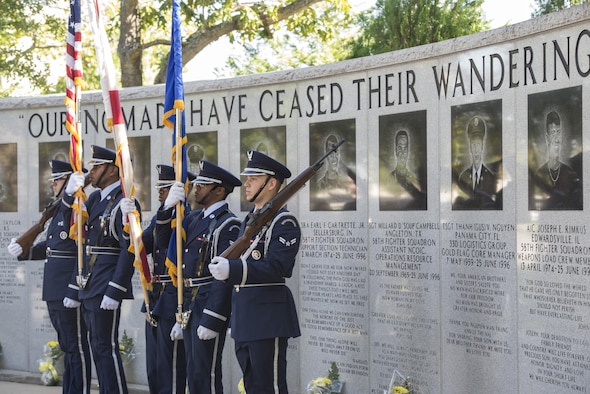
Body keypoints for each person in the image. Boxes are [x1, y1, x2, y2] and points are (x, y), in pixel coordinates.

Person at [209, 151, 301, 394]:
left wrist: (233, 268)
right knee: (252, 386)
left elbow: (277, 267)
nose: (246, 183)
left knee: (268, 387)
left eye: (253, 178)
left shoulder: (284, 222)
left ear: (271, 183)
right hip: (245, 319)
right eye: (247, 178)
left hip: (267, 318)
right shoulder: (251, 220)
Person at [7, 160, 92, 394]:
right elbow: (53, 247)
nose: (53, 184)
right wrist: (25, 251)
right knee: (67, 346)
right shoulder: (58, 210)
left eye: (58, 180)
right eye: (53, 180)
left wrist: (75, 288)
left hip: (67, 289)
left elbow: (81, 252)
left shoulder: (77, 209)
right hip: (54, 289)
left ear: (69, 182)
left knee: (77, 347)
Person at [162, 160, 241, 393]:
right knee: (193, 372)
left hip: (207, 303)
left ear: (219, 190)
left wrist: (213, 318)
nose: (196, 188)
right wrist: (167, 209)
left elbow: (223, 276)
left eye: (203, 184)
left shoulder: (229, 224)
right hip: (188, 303)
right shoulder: (193, 218)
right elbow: (162, 242)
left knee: (206, 372)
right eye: (197, 183)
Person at [63, 145, 138, 394]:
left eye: (96, 167)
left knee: (106, 347)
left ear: (112, 169)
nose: (90, 172)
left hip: (105, 284)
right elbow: (78, 238)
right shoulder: (94, 199)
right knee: (96, 346)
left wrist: (115, 290)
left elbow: (130, 251)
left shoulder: (124, 202)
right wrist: (69, 195)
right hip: (89, 283)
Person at [122, 164, 175, 393]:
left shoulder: (187, 219)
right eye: (159, 188)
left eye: (165, 188)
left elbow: (165, 243)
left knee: (168, 366)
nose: (160, 192)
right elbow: (138, 248)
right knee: (153, 366)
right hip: (154, 297)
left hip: (173, 297)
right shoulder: (157, 220)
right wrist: (129, 221)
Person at [531, 110, 582, 210]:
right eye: (553, 132)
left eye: (558, 132)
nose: (557, 138)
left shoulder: (570, 167)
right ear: (547, 137)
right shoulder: (541, 170)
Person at [455, 115, 500, 209]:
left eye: (479, 145)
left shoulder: (489, 169)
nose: (477, 149)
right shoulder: (464, 174)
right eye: (474, 145)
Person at [383, 129, 426, 210]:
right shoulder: (389, 177)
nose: (402, 152)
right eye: (399, 148)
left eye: (405, 148)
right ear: (395, 150)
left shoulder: (416, 174)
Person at [312, 134, 356, 211]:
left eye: (336, 153)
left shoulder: (346, 176)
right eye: (330, 154)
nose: (333, 158)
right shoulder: (321, 180)